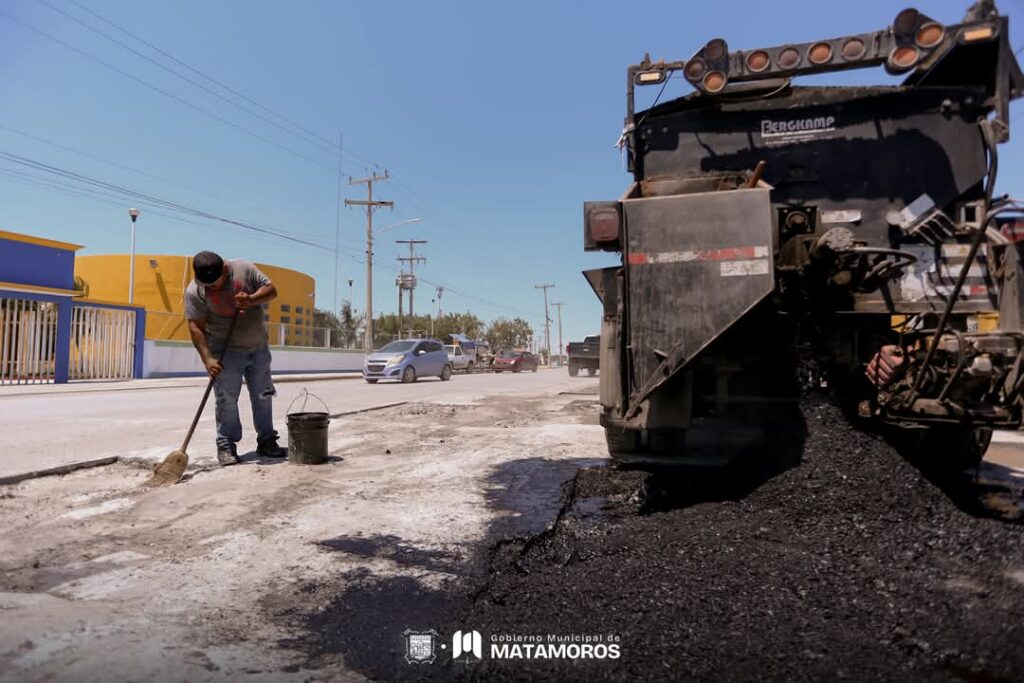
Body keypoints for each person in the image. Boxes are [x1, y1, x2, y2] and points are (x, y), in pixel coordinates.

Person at [185, 251, 288, 465]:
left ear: (224, 268)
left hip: (258, 347)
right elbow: (195, 325)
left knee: (263, 395)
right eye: (208, 285)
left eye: (216, 283)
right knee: (226, 399)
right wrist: (208, 359)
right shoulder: (196, 291)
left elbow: (272, 290)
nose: (212, 288)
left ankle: (267, 441)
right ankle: (226, 445)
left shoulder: (244, 269)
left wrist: (250, 299)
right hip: (225, 351)